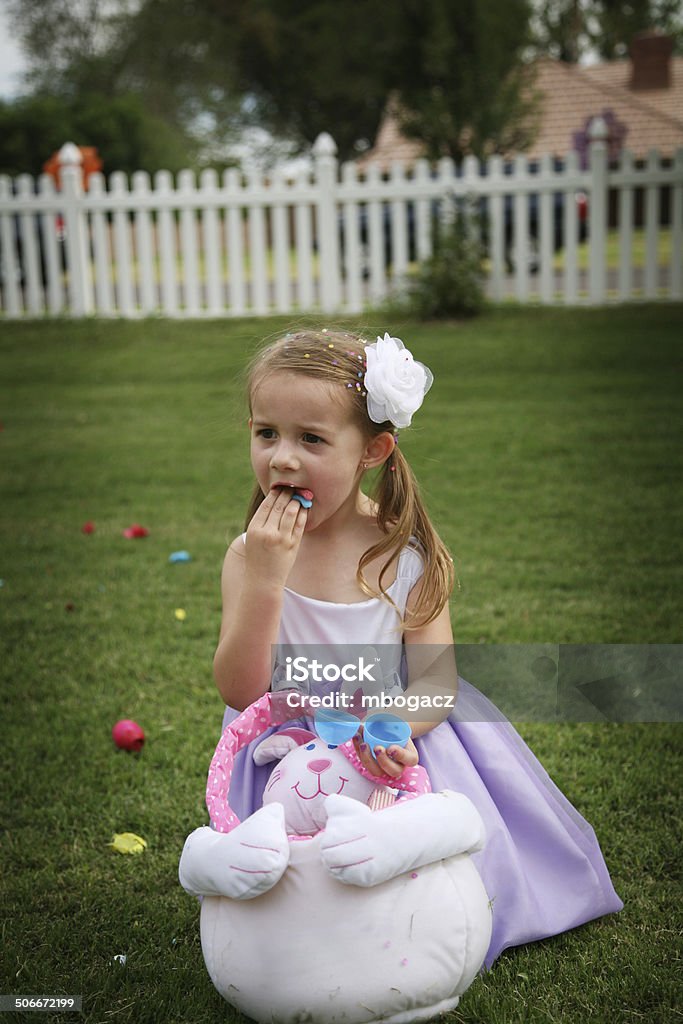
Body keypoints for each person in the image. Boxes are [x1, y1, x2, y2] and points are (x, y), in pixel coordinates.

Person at [213, 328, 622, 966]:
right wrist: (266, 580)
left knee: (419, 882)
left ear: (373, 449)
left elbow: (435, 681)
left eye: (311, 439)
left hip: (393, 744)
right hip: (287, 753)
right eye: (267, 433)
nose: (282, 459)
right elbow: (241, 692)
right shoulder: (250, 557)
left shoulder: (403, 556)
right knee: (302, 907)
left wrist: (386, 732)